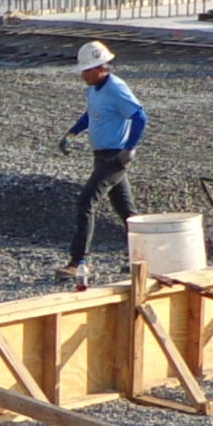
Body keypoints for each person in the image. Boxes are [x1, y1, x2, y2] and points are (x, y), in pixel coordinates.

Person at [57, 39, 147, 287]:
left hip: (114, 157)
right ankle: (143, 256)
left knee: (86, 201)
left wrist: (129, 149)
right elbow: (92, 114)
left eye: (86, 70)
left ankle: (78, 262)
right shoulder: (95, 90)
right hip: (102, 156)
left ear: (101, 68)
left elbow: (139, 116)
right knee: (127, 212)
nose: (82, 75)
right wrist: (72, 133)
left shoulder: (116, 88)